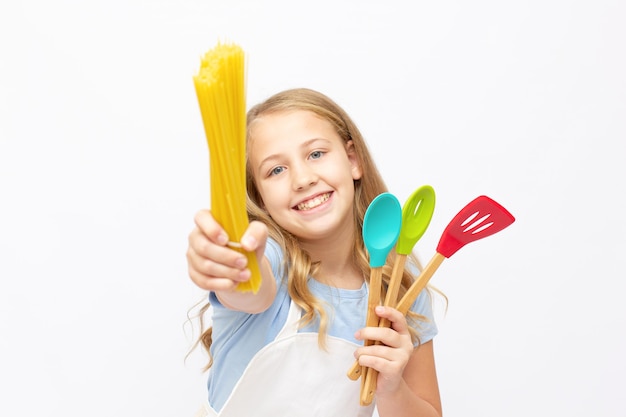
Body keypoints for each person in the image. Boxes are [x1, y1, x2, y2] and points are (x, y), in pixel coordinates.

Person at [186, 88, 442, 417]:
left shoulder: (400, 289)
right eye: (276, 170)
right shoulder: (273, 265)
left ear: (353, 160)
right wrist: (229, 264)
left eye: (316, 154)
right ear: (260, 197)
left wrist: (392, 388)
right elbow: (249, 285)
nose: (303, 179)